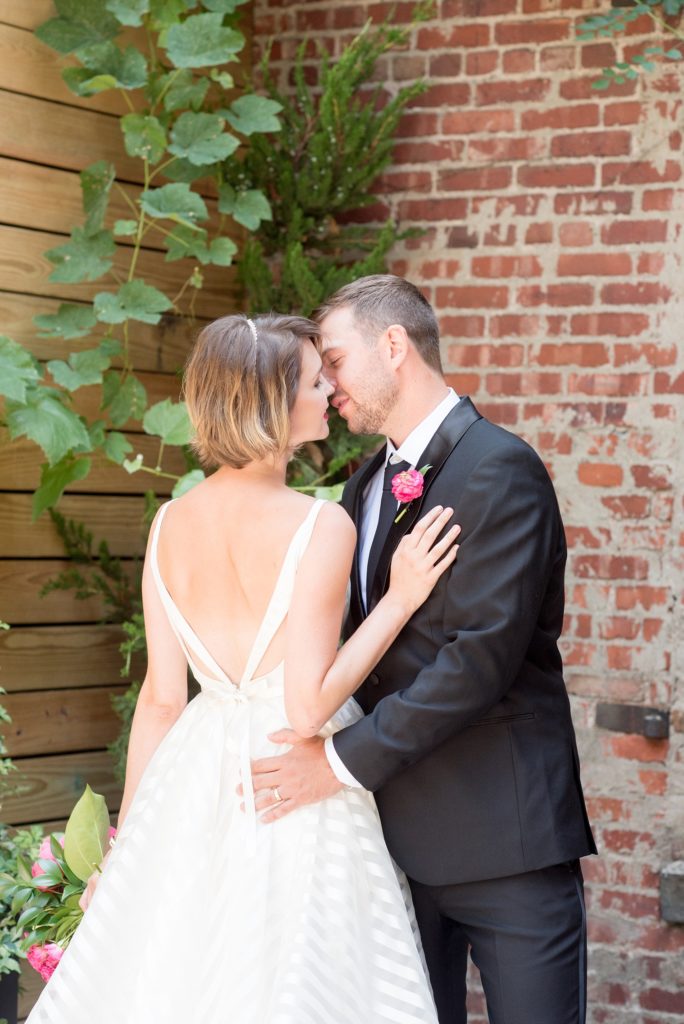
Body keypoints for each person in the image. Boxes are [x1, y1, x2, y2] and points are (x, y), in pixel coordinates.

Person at [25, 313, 460, 1024]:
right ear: (273, 402)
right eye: (316, 382)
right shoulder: (320, 526)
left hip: (190, 780)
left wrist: (123, 846)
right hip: (289, 784)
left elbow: (162, 700)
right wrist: (401, 599)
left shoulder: (169, 526)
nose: (330, 392)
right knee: (296, 976)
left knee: (184, 972)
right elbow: (308, 707)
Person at [248, 276, 597, 1024]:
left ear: (395, 345)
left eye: (335, 360)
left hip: (505, 844)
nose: (328, 383)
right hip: (390, 851)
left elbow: (477, 663)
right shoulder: (361, 488)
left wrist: (336, 765)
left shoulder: (501, 467)